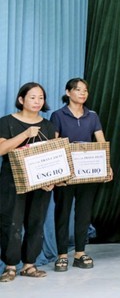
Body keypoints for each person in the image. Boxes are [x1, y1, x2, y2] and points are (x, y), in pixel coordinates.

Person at [0, 83, 58, 282]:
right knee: (11, 222)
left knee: (36, 221)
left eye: (40, 97)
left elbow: (53, 156)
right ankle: (9, 266)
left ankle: (29, 264)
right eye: (32, 97)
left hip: (41, 184)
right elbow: (1, 150)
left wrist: (52, 180)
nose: (37, 101)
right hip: (12, 181)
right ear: (21, 99)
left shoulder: (49, 126)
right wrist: (25, 134)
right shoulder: (6, 122)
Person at [50, 78, 108, 272]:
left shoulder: (92, 116)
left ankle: (80, 253)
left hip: (87, 172)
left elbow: (101, 143)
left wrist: (106, 166)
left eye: (85, 90)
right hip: (65, 173)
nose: (83, 93)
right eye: (78, 90)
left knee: (84, 212)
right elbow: (55, 144)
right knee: (63, 212)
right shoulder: (58, 115)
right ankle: (62, 255)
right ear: (68, 92)